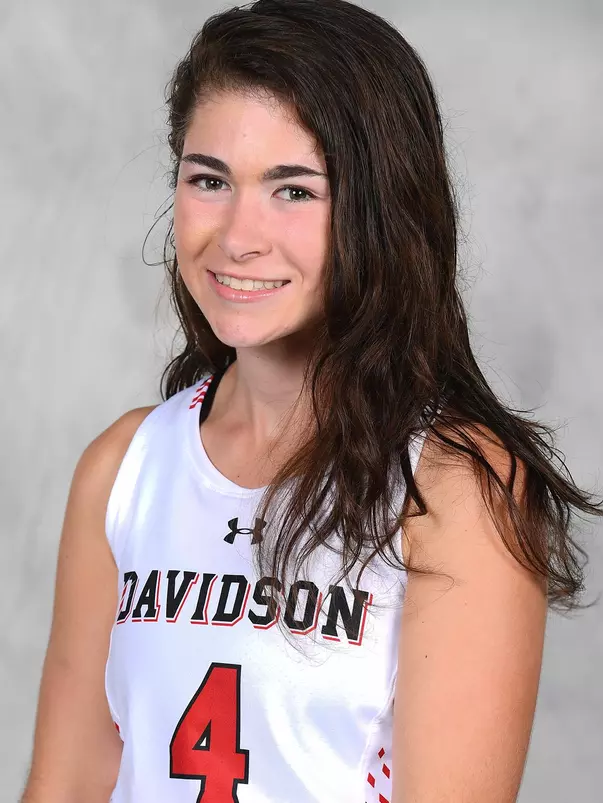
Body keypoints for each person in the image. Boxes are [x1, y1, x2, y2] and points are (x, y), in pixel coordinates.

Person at [20, 1, 602, 801]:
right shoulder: (123, 468)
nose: (237, 234)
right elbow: (66, 785)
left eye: (293, 190)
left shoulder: (454, 487)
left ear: (380, 209)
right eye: (208, 179)